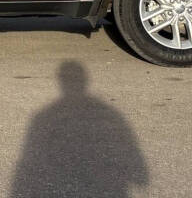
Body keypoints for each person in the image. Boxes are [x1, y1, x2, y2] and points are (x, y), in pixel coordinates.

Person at [10, 61, 148, 197]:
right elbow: (128, 141)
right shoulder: (107, 111)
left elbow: (27, 153)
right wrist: (140, 172)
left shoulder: (43, 115)